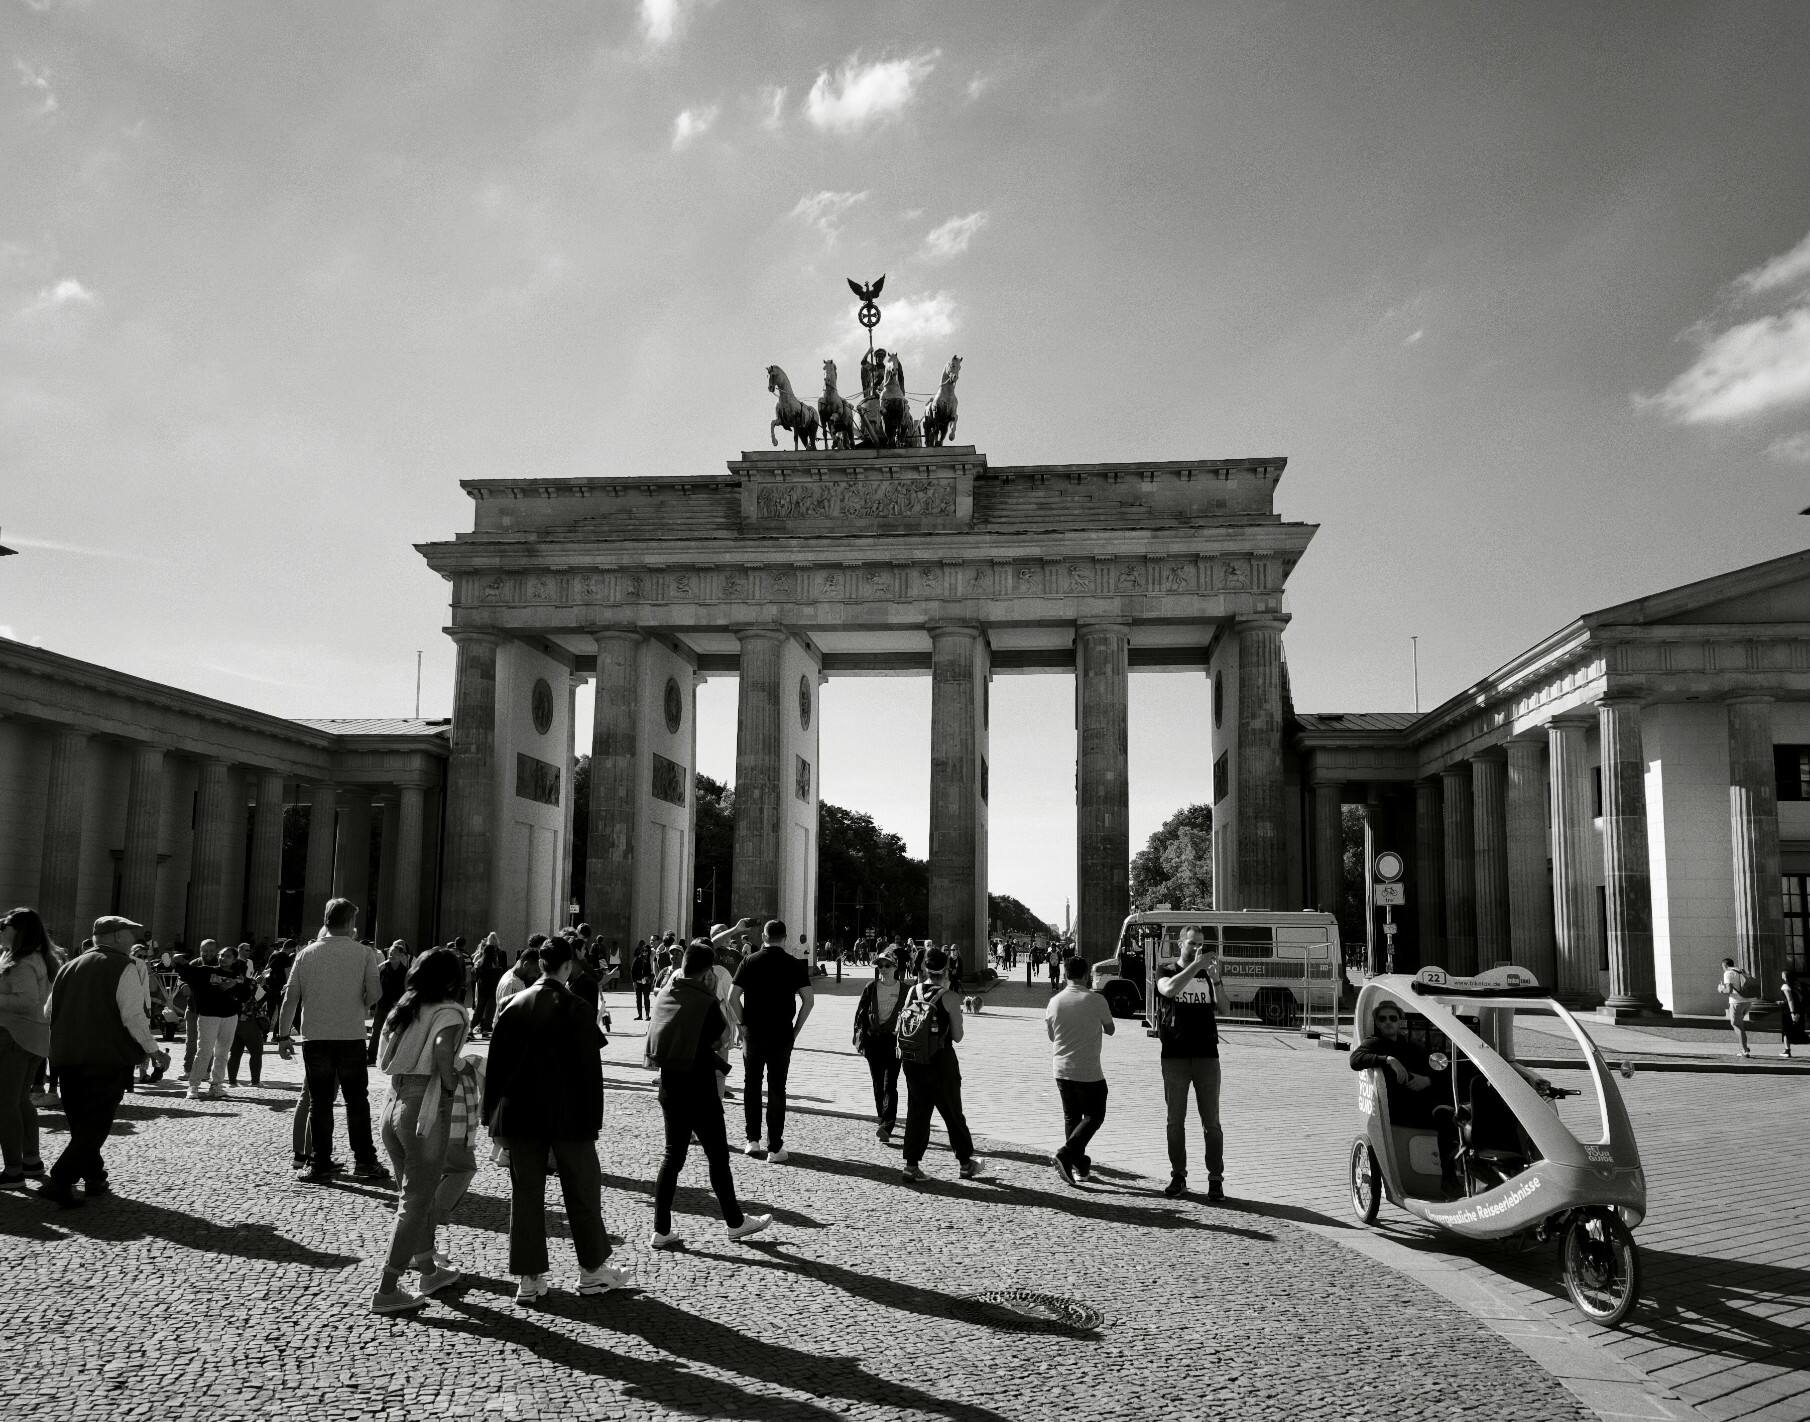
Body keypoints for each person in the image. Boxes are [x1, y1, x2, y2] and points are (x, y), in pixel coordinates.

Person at [484, 934, 626, 1303]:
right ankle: (592, 1271)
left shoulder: (512, 1003)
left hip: (520, 1113)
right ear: (567, 967)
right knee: (581, 1191)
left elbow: (495, 1068)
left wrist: (490, 1118)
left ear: (540, 965)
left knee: (526, 1195)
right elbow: (590, 1072)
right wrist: (595, 1117)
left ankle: (530, 1279)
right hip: (569, 1113)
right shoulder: (576, 1007)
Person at [646, 943, 772, 1249]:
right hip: (699, 1085)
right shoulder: (704, 1000)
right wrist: (713, 994)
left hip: (669, 1084)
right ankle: (735, 1222)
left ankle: (661, 1229)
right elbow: (723, 1038)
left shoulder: (666, 992)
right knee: (717, 1156)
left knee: (672, 1156)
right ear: (708, 972)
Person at [371, 947, 474, 1314]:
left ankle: (428, 1270)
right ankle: (387, 1286)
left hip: (392, 1101)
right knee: (414, 1202)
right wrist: (449, 1083)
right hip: (423, 1109)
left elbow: (384, 1054)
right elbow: (444, 1050)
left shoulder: (406, 1007)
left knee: (416, 1194)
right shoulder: (448, 1011)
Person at [37, 915, 162, 1205]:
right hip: (106, 1056)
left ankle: (95, 1176)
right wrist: (153, 1050)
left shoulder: (69, 966)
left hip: (67, 1056)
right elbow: (133, 1016)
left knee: (82, 1123)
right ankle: (61, 1179)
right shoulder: (123, 966)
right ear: (116, 936)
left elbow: (48, 1013)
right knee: (96, 1125)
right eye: (130, 934)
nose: (134, 940)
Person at [275, 898, 390, 1184]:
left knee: (320, 1103)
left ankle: (320, 1162)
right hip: (350, 1035)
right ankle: (364, 1161)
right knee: (357, 1101)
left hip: (315, 1037)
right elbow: (376, 994)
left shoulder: (306, 954)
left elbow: (290, 998)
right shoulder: (364, 953)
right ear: (351, 922)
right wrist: (361, 1001)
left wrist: (283, 1034)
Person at [1348, 1000, 1459, 1196]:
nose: (1388, 1022)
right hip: (1395, 1109)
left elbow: (1435, 1069)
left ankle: (1450, 1180)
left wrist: (1427, 1080)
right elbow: (1355, 1060)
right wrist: (1388, 1060)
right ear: (1377, 1022)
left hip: (1419, 1104)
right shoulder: (1375, 1043)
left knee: (1450, 1117)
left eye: (1393, 1018)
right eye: (1383, 1019)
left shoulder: (1411, 1046)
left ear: (1400, 1021)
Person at [728, 918, 814, 1163]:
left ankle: (751, 1140)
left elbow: (732, 997)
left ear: (763, 937)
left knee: (751, 1085)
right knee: (777, 1088)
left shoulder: (749, 961)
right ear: (784, 938)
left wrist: (743, 1024)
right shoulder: (793, 964)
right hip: (781, 1034)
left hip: (753, 1033)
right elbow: (809, 1000)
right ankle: (775, 1147)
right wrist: (796, 1030)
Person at [897, 947, 979, 1183]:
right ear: (946, 970)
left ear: (924, 968)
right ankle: (965, 1163)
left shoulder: (912, 990)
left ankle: (911, 1166)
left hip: (913, 1061)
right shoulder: (949, 997)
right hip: (940, 1062)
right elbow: (958, 1035)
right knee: (953, 1113)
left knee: (917, 1112)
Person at [1154, 927, 1225, 1200]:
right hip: (1175, 1055)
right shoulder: (1167, 970)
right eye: (1192, 943)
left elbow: (1225, 1008)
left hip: (1207, 1055)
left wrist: (1217, 981)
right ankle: (1178, 1175)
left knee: (1212, 1124)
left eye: (1201, 945)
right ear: (1181, 943)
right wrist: (1195, 966)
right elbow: (1169, 991)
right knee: (1175, 1121)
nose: (1197, 949)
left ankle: (1216, 1179)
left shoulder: (1208, 974)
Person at [0, 907, 60, 1187]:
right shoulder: (36, 958)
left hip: (15, 1037)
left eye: (6, 925)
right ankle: (31, 1161)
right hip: (31, 1038)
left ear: (19, 931)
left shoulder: (23, 962)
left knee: (7, 1104)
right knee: (21, 1101)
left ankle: (13, 1171)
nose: (1, 929)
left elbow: (27, 1001)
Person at [1045, 955, 1116, 1187]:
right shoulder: (1097, 1000)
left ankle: (1079, 1165)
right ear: (1087, 975)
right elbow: (1110, 1029)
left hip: (1061, 1069)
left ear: (1065, 974)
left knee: (1071, 1117)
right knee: (1095, 1115)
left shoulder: (1054, 1002)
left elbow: (1051, 1036)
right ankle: (1066, 1154)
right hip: (1088, 1070)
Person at [176, 939, 247, 1100]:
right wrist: (177, 961)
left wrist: (235, 985)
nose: (223, 958)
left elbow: (245, 995)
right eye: (221, 955)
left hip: (230, 1017)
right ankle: (193, 1086)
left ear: (234, 959)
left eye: (228, 956)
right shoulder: (207, 971)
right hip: (209, 1016)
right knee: (204, 1051)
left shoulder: (238, 976)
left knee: (222, 1053)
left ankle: (216, 1085)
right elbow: (186, 972)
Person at [852, 946, 907, 1142]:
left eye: (886, 965)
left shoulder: (906, 990)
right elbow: (860, 1015)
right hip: (874, 1042)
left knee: (889, 1083)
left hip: (894, 1043)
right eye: (880, 965)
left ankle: (887, 1124)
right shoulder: (871, 987)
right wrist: (860, 1040)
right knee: (877, 1083)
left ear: (895, 967)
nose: (882, 969)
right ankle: (882, 1117)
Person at [227, 954, 270, 1087]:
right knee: (256, 1052)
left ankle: (232, 1081)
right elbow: (260, 998)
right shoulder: (250, 983)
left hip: (232, 1021)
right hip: (249, 1021)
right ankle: (255, 1081)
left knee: (235, 1053)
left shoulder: (227, 982)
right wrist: (259, 984)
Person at [368, 941, 411, 1065]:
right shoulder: (382, 968)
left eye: (394, 953)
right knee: (376, 1030)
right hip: (381, 1005)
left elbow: (407, 990)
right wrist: (372, 1005)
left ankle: (393, 1058)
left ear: (401, 955)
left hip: (397, 1007)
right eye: (390, 953)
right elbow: (374, 987)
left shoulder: (405, 972)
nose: (391, 955)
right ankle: (371, 1057)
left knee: (397, 1032)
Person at [1718, 957, 1762, 1058]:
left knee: (1737, 1025)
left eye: (1723, 967)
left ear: (1725, 965)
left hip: (1737, 1002)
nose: (1723, 969)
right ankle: (1744, 1047)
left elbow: (1728, 990)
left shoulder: (1728, 973)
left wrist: (1721, 990)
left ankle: (1744, 1050)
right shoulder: (1741, 970)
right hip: (1748, 1001)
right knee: (1739, 1025)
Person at [470, 934, 505, 1039]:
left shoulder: (480, 964)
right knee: (490, 1010)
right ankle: (485, 1031)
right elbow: (499, 975)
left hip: (482, 990)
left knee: (479, 1010)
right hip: (492, 990)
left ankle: (470, 1030)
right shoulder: (497, 966)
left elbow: (474, 975)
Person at [494, 946, 540, 1014]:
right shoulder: (513, 983)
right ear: (526, 964)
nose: (536, 976)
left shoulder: (511, 975)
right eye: (536, 970)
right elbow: (509, 1016)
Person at [1779, 970, 1806, 1059]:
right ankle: (1786, 1049)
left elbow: (1790, 1000)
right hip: (1798, 1010)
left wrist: (1792, 1013)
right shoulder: (1796, 987)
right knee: (1792, 1030)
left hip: (1788, 1011)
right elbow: (1799, 999)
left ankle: (1787, 1050)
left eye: (1783, 974)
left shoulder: (1785, 986)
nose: (1781, 975)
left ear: (1786, 977)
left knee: (1786, 1030)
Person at [631, 940, 654, 1021]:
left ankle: (647, 1015)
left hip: (646, 983)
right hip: (638, 982)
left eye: (646, 951)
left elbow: (651, 972)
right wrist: (634, 982)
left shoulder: (649, 961)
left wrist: (649, 979)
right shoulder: (637, 960)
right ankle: (640, 1015)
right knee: (638, 999)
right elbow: (632, 971)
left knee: (646, 998)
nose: (645, 952)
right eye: (643, 951)